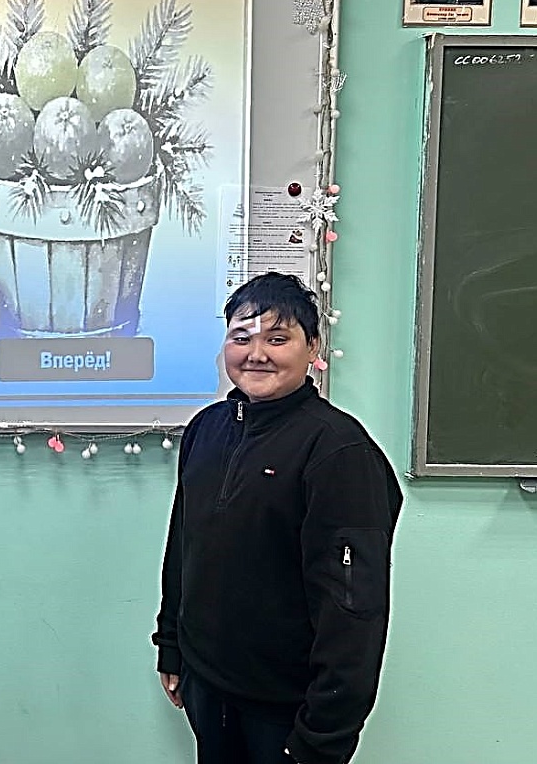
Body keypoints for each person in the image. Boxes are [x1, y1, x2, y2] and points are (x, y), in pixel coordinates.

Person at [152, 273, 403, 764]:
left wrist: (324, 736)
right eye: (241, 338)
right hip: (209, 689)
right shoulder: (206, 430)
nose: (256, 354)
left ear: (313, 347)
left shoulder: (338, 451)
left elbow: (354, 609)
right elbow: (184, 546)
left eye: (277, 339)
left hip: (288, 709)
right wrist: (172, 645)